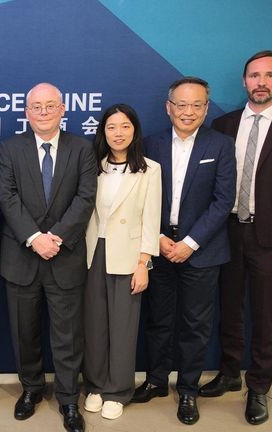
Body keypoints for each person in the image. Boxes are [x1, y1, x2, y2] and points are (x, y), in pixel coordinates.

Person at [199, 50, 272, 425]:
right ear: (244, 80)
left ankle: (259, 387)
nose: (261, 82)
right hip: (227, 231)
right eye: (254, 75)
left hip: (271, 237)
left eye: (269, 75)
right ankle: (230, 374)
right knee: (229, 308)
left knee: (264, 315)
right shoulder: (223, 124)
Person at [133, 77, 236, 426]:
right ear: (169, 107)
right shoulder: (150, 144)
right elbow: (140, 196)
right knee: (158, 320)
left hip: (202, 251)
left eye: (196, 105)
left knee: (195, 325)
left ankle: (188, 389)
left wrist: (190, 243)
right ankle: (156, 381)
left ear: (205, 109)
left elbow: (223, 201)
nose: (188, 111)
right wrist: (160, 238)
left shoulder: (221, 145)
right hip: (160, 246)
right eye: (181, 104)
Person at [0, 82, 96, 432]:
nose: (43, 112)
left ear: (62, 109)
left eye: (50, 105)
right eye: (36, 107)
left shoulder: (82, 149)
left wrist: (56, 238)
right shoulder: (10, 148)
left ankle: (68, 400)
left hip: (64, 256)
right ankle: (31, 389)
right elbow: (7, 197)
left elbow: (85, 198)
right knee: (24, 332)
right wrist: (35, 238)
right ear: (27, 112)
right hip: (21, 257)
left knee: (68, 336)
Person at [82, 104, 161, 420]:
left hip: (128, 256)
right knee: (94, 324)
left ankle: (117, 390)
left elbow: (151, 220)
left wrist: (144, 263)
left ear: (135, 130)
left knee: (123, 327)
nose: (118, 133)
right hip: (92, 252)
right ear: (103, 131)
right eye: (111, 127)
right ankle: (95, 385)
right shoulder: (92, 166)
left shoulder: (149, 170)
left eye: (125, 126)